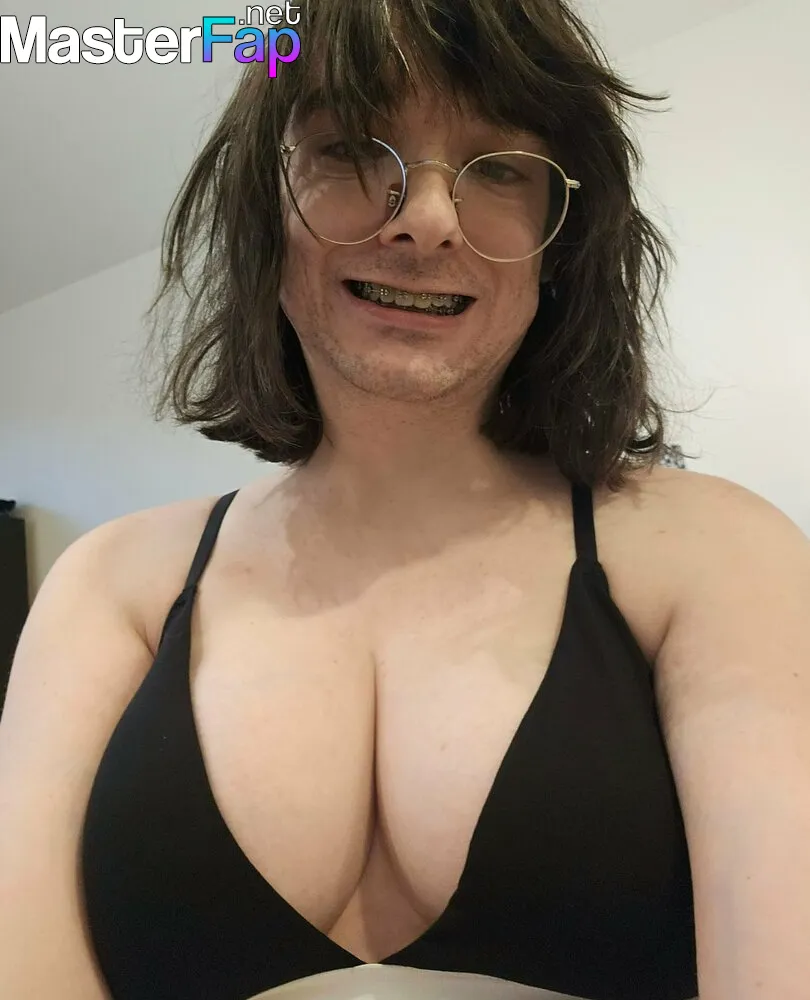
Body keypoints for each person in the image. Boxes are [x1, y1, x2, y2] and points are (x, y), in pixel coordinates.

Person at [2, 1, 809, 998]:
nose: (427, 216)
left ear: (558, 244)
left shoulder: (722, 554)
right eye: (350, 148)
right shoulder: (106, 587)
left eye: (500, 168)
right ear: (263, 216)